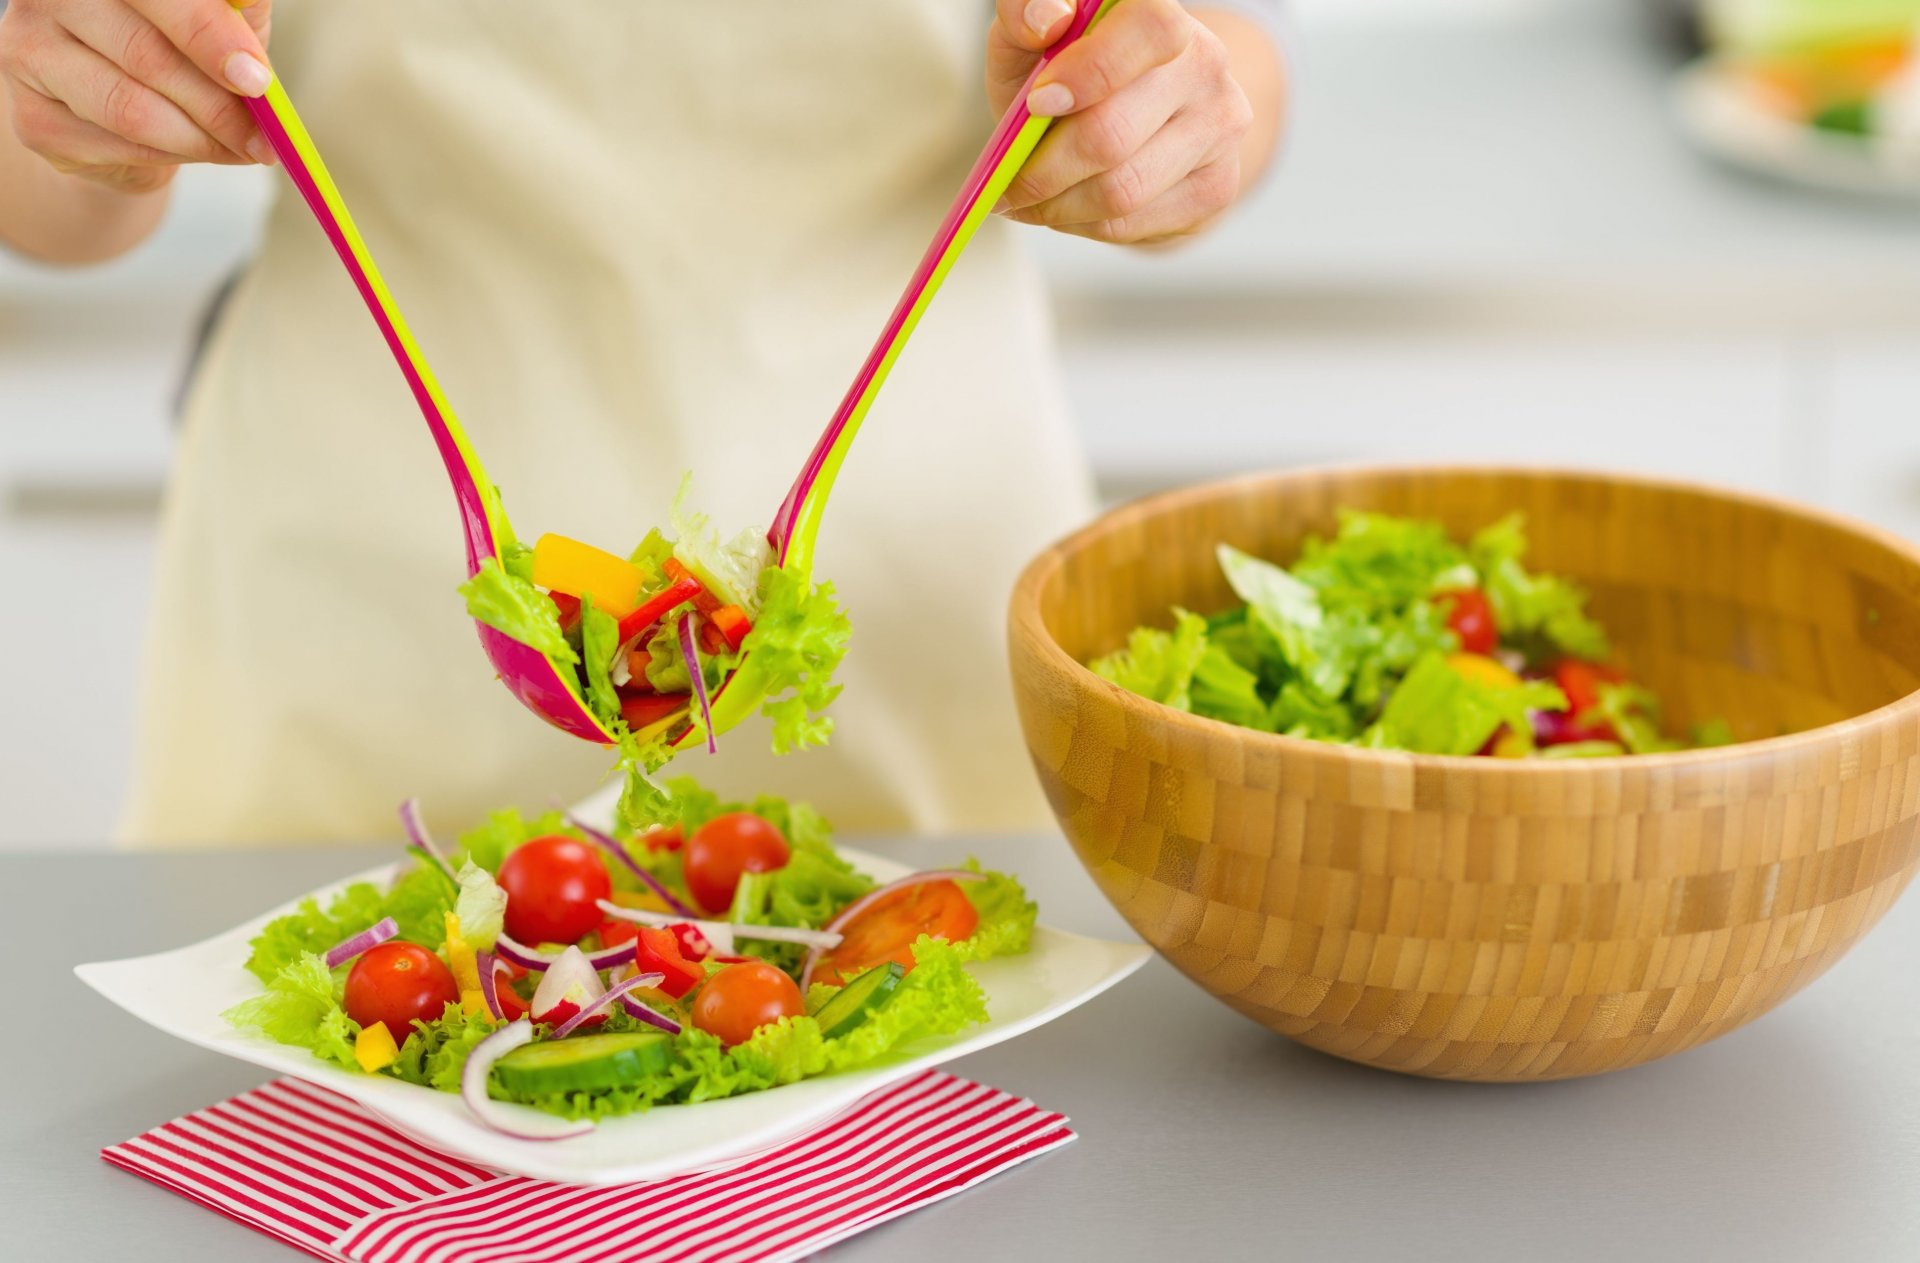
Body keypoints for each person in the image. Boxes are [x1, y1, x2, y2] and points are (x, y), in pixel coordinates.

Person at [0, 0, 1289, 846]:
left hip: (923, 604)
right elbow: (57, 206)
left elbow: (1228, 53)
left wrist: (1167, 115)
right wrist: (82, 103)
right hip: (351, 625)